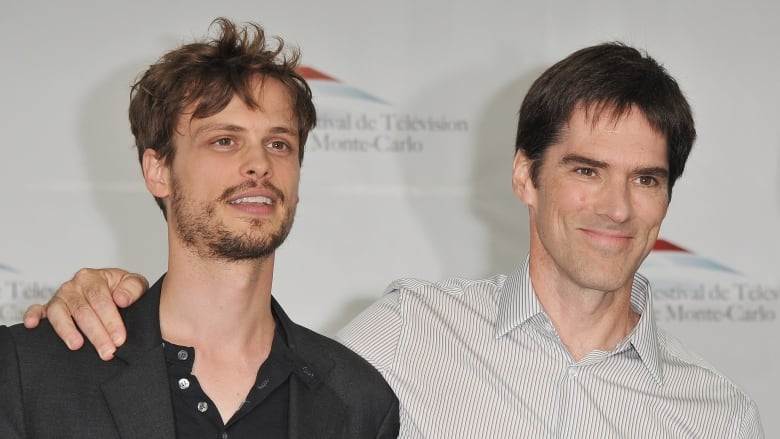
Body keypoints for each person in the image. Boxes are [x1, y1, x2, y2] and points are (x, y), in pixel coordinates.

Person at [23, 43, 763, 437]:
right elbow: (237, 340)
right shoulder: (410, 333)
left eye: (646, 179)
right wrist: (105, 297)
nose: (616, 207)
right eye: (587, 170)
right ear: (525, 176)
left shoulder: (719, 416)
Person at [0, 18, 398, 439]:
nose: (260, 164)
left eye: (278, 144)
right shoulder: (34, 370)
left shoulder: (359, 401)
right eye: (224, 140)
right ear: (158, 171)